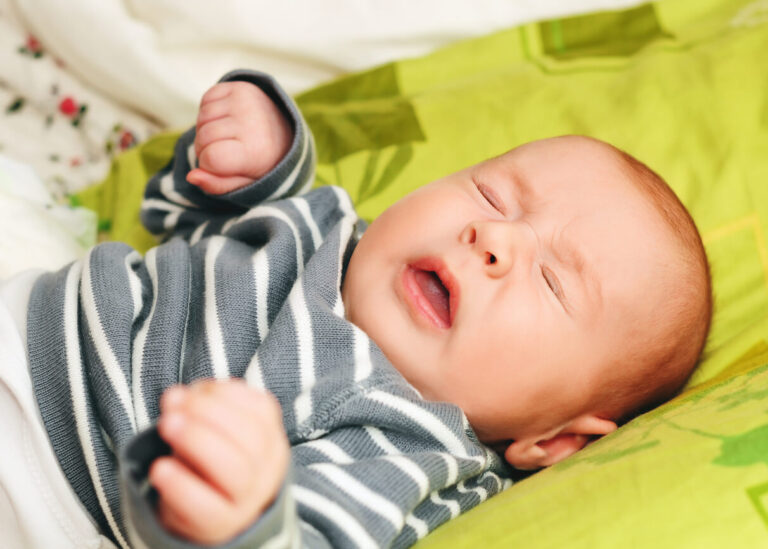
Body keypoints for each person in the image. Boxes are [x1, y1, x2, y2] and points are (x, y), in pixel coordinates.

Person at [0, 69, 711, 549]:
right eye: (491, 194)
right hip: (27, 300)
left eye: (554, 282)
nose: (494, 238)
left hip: (47, 491)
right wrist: (255, 159)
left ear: (553, 441)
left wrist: (250, 514)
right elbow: (181, 214)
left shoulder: (413, 446)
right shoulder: (328, 225)